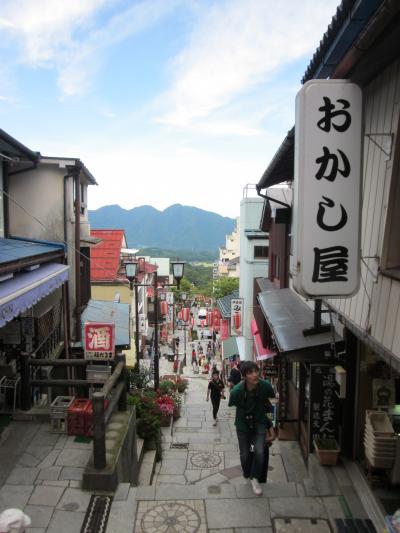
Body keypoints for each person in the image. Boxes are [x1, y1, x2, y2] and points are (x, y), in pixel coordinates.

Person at [228, 361, 275, 496]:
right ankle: (248, 473)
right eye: (250, 373)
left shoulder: (265, 387)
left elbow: (268, 406)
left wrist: (271, 426)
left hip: (260, 423)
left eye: (256, 371)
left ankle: (255, 478)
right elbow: (231, 403)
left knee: (259, 452)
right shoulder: (237, 392)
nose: (255, 375)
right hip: (243, 425)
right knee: (245, 454)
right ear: (244, 376)